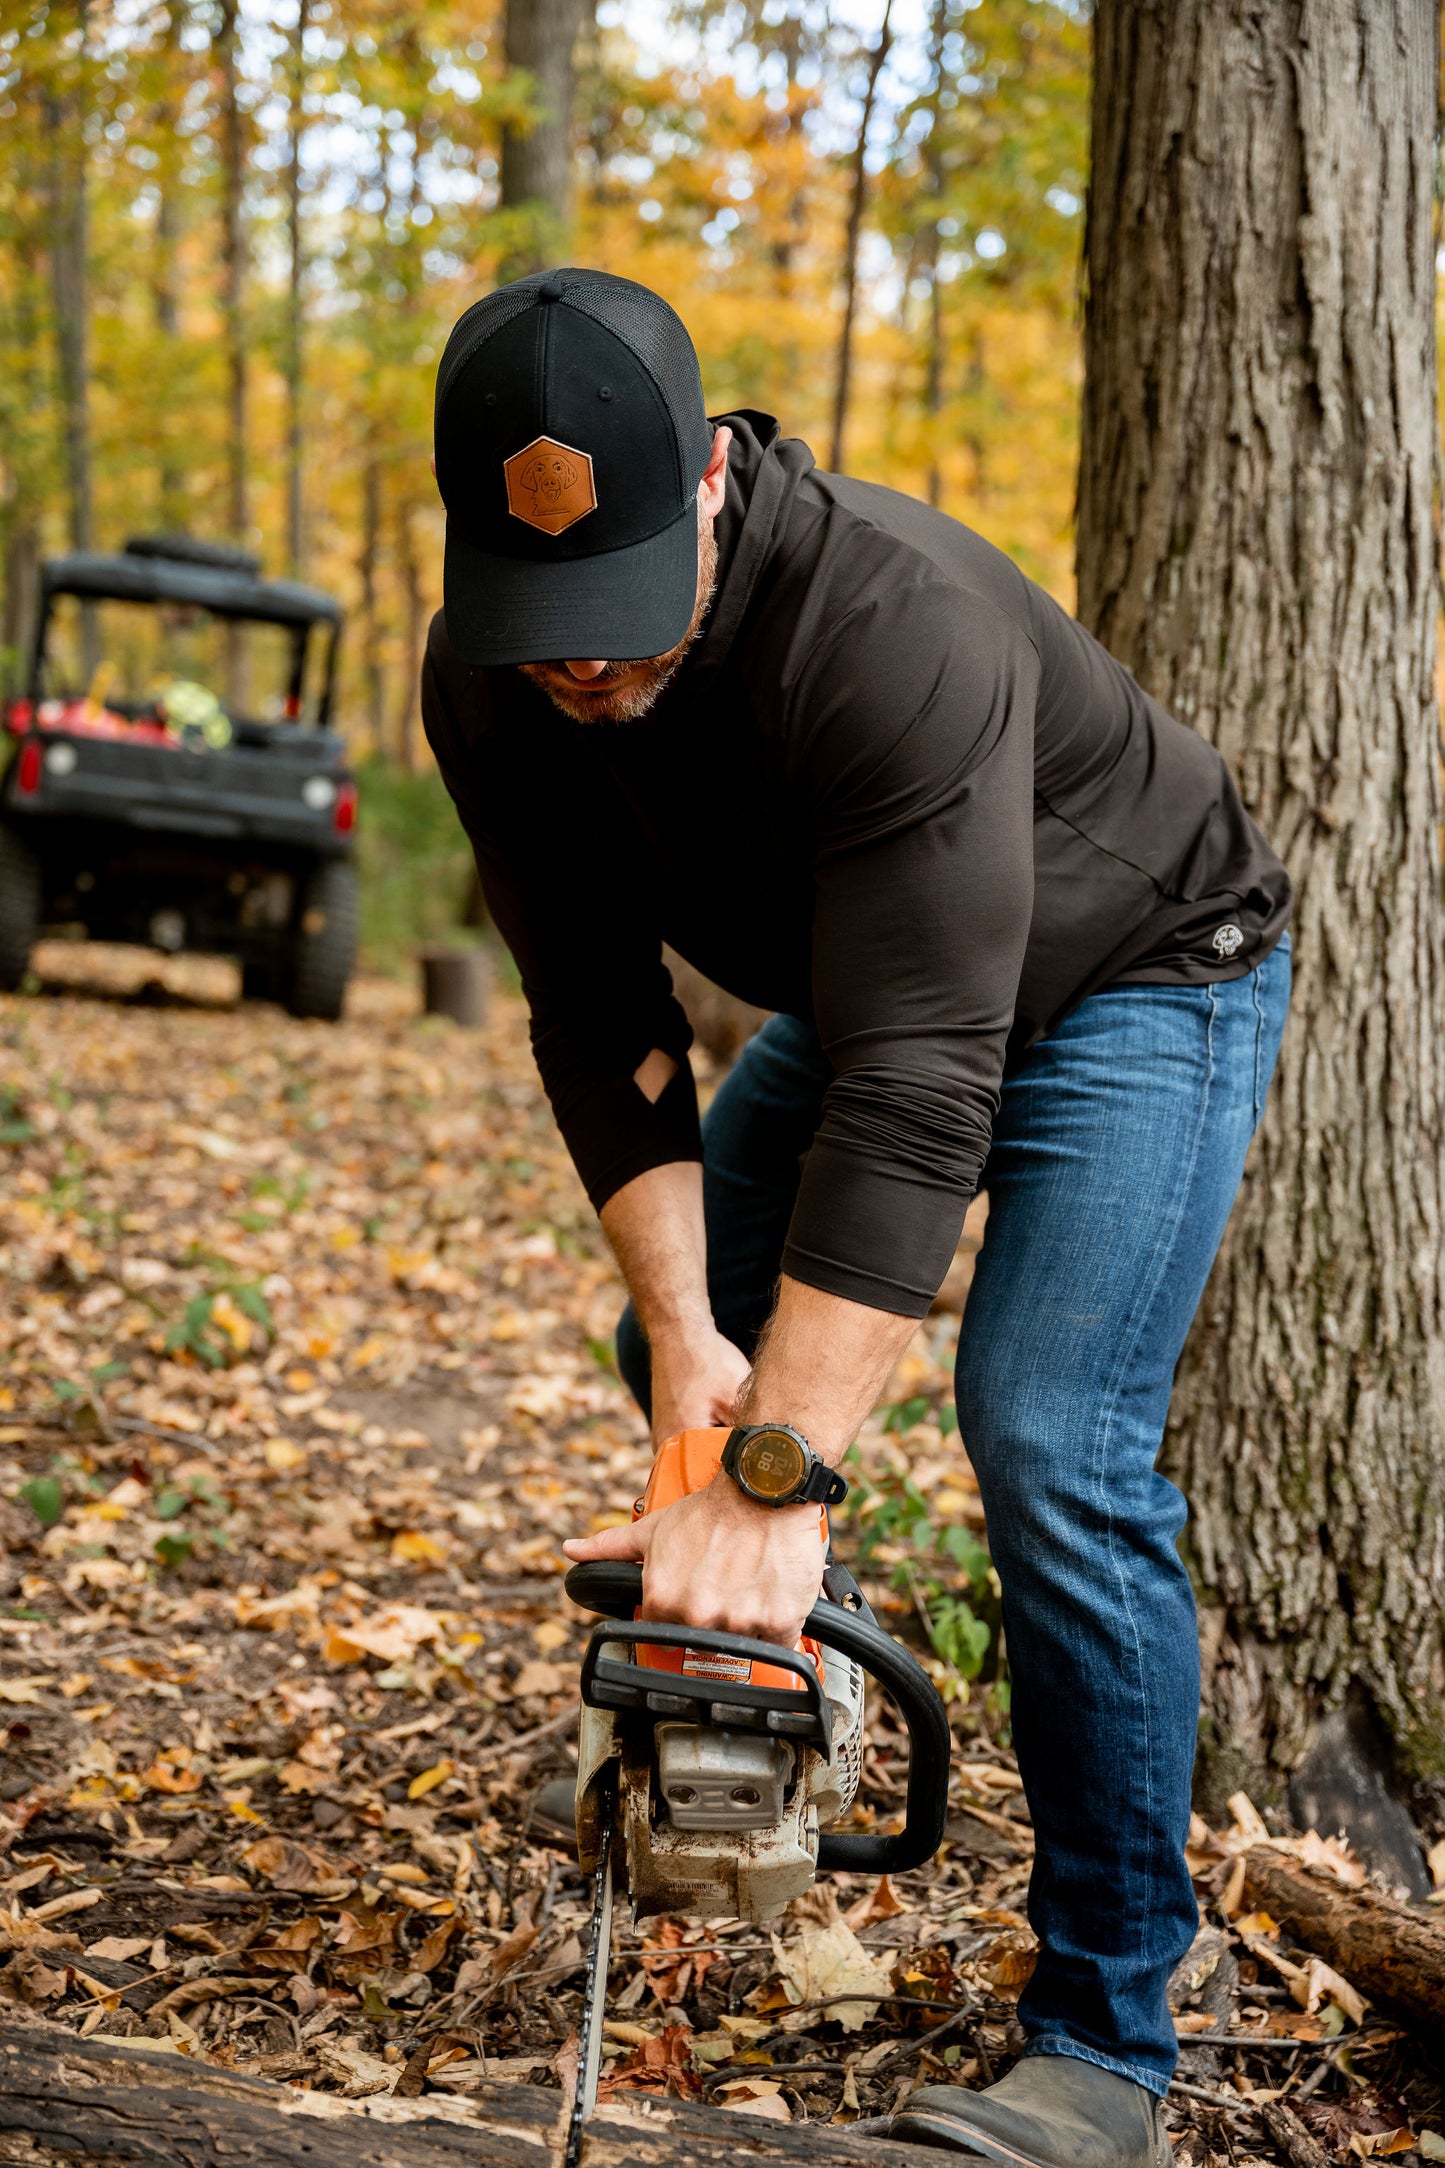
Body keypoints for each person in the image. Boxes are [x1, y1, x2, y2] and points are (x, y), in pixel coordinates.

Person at [421, 268, 1291, 2168]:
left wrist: (779, 1477)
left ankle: (1108, 2050)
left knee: (1048, 1443)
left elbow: (918, 1092)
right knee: (682, 1341)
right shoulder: (488, 675)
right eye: (541, 626)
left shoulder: (889, 622)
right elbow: (596, 1014)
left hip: (1136, 978)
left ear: (709, 490)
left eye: (614, 612)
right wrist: (692, 1353)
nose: (580, 669)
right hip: (870, 990)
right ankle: (766, 1707)